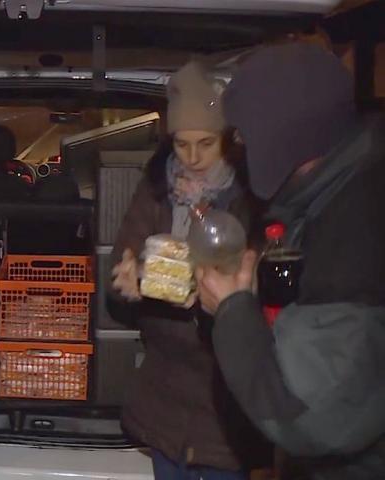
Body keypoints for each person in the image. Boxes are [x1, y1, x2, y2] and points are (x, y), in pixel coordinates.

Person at [195, 43, 385, 479]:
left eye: (244, 132)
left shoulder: (357, 227)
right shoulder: (327, 197)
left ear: (282, 136)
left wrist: (233, 310)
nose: (238, 143)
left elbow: (310, 415)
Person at [110, 61, 270, 479]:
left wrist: (215, 295)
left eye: (205, 143)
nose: (193, 157)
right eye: (182, 144)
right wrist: (126, 280)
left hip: (227, 397)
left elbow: (265, 289)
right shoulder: (156, 189)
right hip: (164, 396)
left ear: (228, 139)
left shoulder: (252, 197)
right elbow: (123, 261)